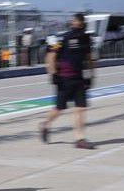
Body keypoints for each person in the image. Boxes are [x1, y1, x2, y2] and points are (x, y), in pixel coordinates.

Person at [41, 13, 95, 149]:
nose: (78, 24)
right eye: (76, 21)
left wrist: (90, 75)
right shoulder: (63, 37)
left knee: (80, 108)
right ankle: (45, 124)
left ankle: (80, 139)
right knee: (60, 108)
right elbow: (50, 56)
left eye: (80, 22)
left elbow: (89, 59)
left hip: (79, 78)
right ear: (72, 23)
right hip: (64, 78)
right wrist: (53, 74)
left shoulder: (86, 38)